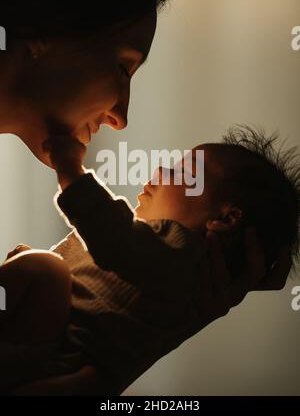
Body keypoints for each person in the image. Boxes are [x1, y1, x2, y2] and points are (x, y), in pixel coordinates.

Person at [0, 0, 291, 395]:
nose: (121, 116)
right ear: (44, 32)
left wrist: (143, 333)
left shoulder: (168, 261)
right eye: (122, 67)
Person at [1, 125, 297, 395]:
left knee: (45, 269)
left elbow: (109, 236)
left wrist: (69, 169)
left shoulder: (181, 250)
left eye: (186, 173)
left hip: (52, 351)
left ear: (227, 217)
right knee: (43, 266)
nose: (161, 171)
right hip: (52, 353)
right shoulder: (165, 260)